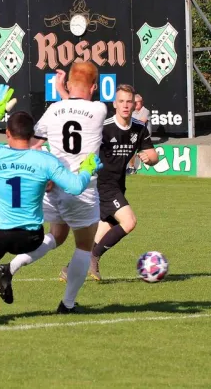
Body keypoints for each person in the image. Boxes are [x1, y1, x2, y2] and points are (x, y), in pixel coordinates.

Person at [0, 84, 102, 328]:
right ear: (32, 134)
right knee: (54, 238)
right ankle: (15, 268)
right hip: (29, 236)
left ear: (8, 134)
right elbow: (76, 187)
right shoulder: (45, 160)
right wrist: (87, 169)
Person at [0, 62, 108, 314]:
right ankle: (67, 304)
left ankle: (11, 267)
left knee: (57, 236)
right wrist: (66, 90)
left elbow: (35, 142)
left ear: (68, 84)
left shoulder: (54, 110)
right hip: (81, 188)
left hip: (52, 186)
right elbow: (80, 109)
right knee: (84, 246)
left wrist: (62, 93)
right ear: (94, 87)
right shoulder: (100, 110)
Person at [74, 84, 158, 281]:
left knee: (102, 232)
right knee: (129, 222)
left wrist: (149, 158)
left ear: (135, 104)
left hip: (118, 185)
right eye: (121, 101)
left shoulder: (139, 128)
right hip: (102, 184)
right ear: (115, 104)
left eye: (129, 101)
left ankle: (72, 268)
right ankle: (95, 257)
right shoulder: (104, 127)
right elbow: (84, 152)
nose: (126, 105)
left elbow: (154, 155)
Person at [127, 94, 151, 174]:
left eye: (138, 102)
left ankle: (131, 168)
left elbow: (141, 123)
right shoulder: (132, 112)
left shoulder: (146, 111)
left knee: (131, 145)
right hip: (134, 133)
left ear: (141, 102)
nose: (136, 104)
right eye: (134, 102)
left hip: (144, 135)